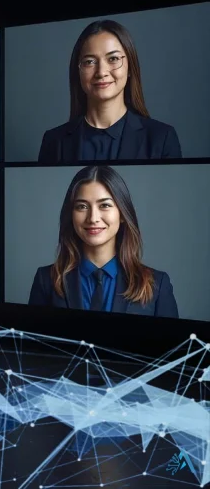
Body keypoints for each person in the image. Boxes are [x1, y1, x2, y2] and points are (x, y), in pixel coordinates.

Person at [28, 166, 178, 317]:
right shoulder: (46, 280)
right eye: (82, 206)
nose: (93, 218)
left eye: (104, 205)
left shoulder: (157, 284)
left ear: (122, 214)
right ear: (71, 215)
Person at [38, 20, 182, 162]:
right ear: (78, 71)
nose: (101, 72)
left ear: (130, 67)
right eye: (89, 62)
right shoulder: (53, 141)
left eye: (113, 59)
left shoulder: (161, 138)